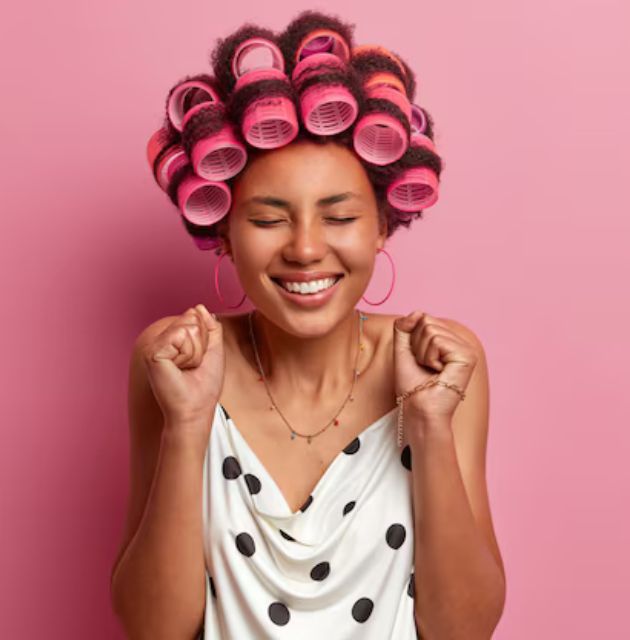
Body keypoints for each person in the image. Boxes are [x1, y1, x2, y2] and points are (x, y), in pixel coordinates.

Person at [110, 10, 506, 639]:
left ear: (381, 227)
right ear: (223, 233)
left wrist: (429, 424)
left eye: (339, 217)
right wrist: (187, 425)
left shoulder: (443, 367)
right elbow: (154, 630)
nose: (304, 249)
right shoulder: (174, 365)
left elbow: (464, 631)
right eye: (268, 220)